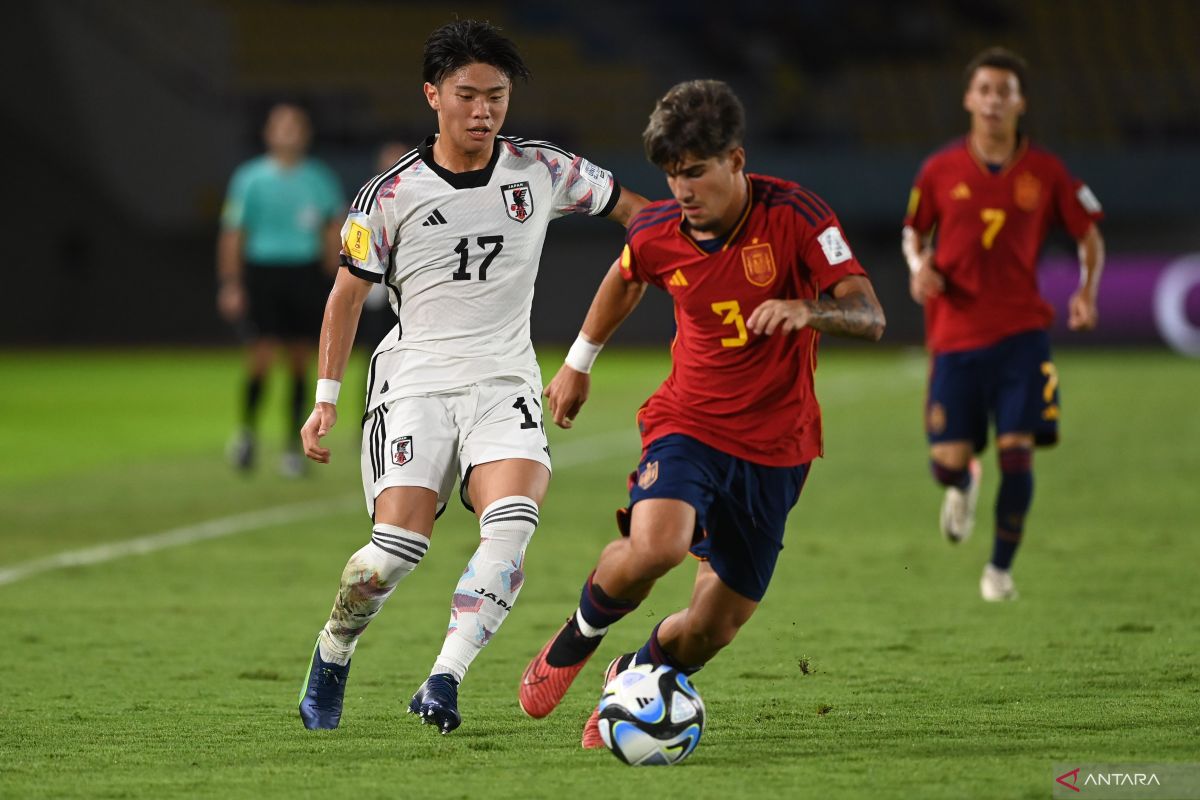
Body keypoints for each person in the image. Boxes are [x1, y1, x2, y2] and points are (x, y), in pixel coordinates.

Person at [296, 20, 647, 734]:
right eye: (467, 95)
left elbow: (641, 215)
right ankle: (334, 649)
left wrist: (683, 249)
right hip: (414, 382)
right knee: (392, 556)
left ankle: (442, 682)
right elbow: (345, 295)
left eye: (497, 96)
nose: (483, 110)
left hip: (506, 383)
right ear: (433, 96)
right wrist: (325, 399)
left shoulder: (543, 170)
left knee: (513, 525)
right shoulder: (386, 195)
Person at [517, 79, 886, 748]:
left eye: (695, 172)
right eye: (670, 174)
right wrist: (578, 361)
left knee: (712, 629)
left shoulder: (798, 217)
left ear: (736, 161)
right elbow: (627, 275)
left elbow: (870, 314)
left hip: (778, 446)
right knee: (658, 544)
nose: (682, 189)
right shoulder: (660, 229)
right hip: (688, 423)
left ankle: (635, 678)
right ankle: (577, 638)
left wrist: (811, 309)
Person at [900, 47, 1105, 601]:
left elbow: (1088, 235)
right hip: (954, 335)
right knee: (944, 463)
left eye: (1004, 91)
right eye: (984, 90)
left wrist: (1086, 292)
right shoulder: (940, 170)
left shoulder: (1046, 172)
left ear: (1020, 103)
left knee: (1018, 452)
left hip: (1020, 335)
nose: (993, 100)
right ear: (969, 99)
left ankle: (998, 571)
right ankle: (963, 481)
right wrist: (919, 269)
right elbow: (913, 231)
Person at [217, 103, 344, 477]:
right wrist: (231, 283)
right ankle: (247, 434)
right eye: (281, 126)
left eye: (295, 126)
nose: (288, 133)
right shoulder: (250, 178)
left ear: (305, 134)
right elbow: (233, 232)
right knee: (261, 355)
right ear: (268, 133)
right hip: (264, 273)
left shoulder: (319, 178)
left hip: (303, 274)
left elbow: (332, 229)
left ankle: (293, 444)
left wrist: (335, 277)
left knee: (301, 359)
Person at [354, 141, 410, 359]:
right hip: (378, 285)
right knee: (376, 347)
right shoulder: (369, 199)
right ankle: (370, 391)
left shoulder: (422, 198)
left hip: (408, 286)